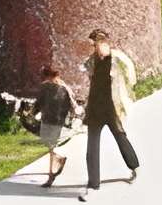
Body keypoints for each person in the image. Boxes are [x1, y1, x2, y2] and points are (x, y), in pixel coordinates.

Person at [80, 27, 139, 192]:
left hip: (100, 106)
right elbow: (131, 75)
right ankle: (133, 167)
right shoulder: (113, 59)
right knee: (118, 136)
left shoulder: (96, 61)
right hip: (106, 105)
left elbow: (92, 79)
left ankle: (94, 182)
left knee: (96, 142)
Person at [17, 61, 78, 185]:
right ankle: (55, 166)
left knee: (50, 145)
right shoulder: (65, 87)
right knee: (51, 144)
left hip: (49, 119)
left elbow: (40, 102)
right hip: (59, 120)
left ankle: (52, 174)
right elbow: (72, 104)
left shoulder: (46, 86)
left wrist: (31, 113)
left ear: (47, 76)